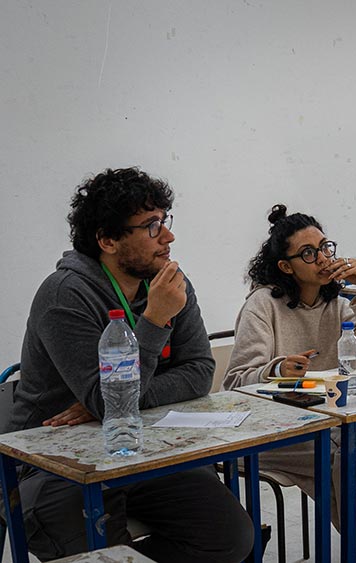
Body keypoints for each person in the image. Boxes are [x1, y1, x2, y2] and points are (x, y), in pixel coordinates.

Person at [6, 167, 253, 562]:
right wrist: (153, 322)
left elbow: (199, 372)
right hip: (53, 464)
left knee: (230, 536)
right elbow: (109, 404)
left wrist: (116, 402)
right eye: (151, 226)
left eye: (164, 221)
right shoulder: (65, 295)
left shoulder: (171, 284)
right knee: (106, 553)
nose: (168, 237)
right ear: (107, 240)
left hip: (143, 448)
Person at [223, 204, 356, 563]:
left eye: (325, 248)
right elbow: (234, 382)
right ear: (286, 267)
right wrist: (277, 369)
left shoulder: (338, 303)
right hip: (274, 432)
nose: (322, 258)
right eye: (308, 253)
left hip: (331, 424)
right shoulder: (263, 305)